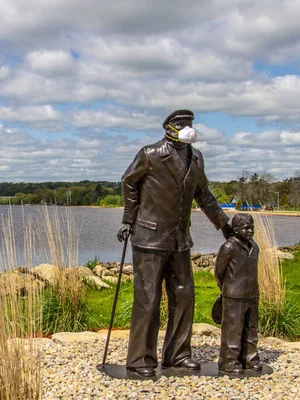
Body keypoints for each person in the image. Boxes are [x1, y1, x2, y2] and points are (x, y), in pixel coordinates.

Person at [118, 109, 233, 378]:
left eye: (190, 124)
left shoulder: (196, 158)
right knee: (148, 299)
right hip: (149, 239)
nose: (188, 128)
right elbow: (128, 182)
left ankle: (178, 354)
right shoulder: (151, 154)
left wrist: (224, 225)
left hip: (180, 240)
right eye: (182, 124)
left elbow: (204, 194)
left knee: (184, 296)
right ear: (169, 128)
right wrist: (128, 219)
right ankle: (140, 359)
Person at [214, 213, 262, 374]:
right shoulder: (229, 247)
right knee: (232, 329)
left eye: (252, 228)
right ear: (235, 230)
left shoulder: (254, 247)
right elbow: (219, 272)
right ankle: (229, 361)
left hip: (252, 293)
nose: (250, 231)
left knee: (251, 328)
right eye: (246, 228)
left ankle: (250, 358)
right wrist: (227, 289)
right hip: (234, 295)